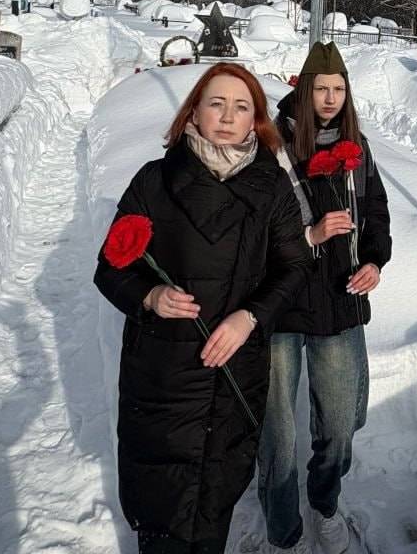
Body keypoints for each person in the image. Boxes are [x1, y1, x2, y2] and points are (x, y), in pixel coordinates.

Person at [94, 63, 311, 554]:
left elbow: (294, 267)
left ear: (256, 118)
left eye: (242, 106)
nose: (228, 116)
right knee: (162, 499)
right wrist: (150, 296)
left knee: (214, 498)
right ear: (194, 110)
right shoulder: (155, 180)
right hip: (164, 371)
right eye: (217, 103)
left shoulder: (271, 185)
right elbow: (110, 267)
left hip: (234, 369)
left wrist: (249, 316)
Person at [253, 42, 392, 554]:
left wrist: (375, 260)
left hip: (338, 300)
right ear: (303, 90)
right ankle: (283, 531)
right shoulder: (272, 145)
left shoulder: (359, 147)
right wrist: (309, 233)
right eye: (320, 88)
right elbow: (256, 226)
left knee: (339, 424)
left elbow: (375, 212)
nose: (329, 98)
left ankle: (325, 504)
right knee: (278, 433)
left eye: (338, 89)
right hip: (282, 302)